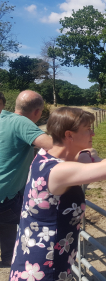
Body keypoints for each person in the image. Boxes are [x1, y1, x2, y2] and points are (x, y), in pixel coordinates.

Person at [9, 107, 106, 281]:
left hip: (33, 256)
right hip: (46, 264)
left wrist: (85, 154)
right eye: (87, 130)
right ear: (69, 135)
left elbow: (75, 159)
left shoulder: (43, 156)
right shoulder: (59, 170)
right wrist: (95, 160)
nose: (92, 134)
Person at [0, 90, 53, 266]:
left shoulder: (3, 118)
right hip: (5, 194)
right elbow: (53, 146)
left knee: (6, 224)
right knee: (37, 221)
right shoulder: (22, 122)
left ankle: (8, 258)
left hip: (5, 195)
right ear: (37, 112)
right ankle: (36, 262)